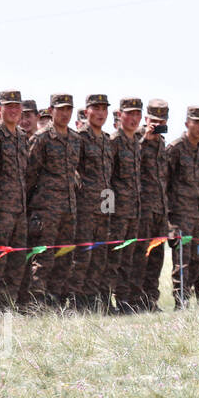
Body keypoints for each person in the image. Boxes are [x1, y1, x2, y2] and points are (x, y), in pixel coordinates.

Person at [26, 94, 82, 309]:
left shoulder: (76, 140)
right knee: (43, 257)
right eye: (61, 109)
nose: (65, 114)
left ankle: (55, 300)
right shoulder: (41, 139)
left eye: (69, 109)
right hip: (46, 210)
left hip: (69, 209)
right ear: (51, 110)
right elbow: (29, 176)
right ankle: (36, 301)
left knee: (65, 256)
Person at [72, 94, 114, 311]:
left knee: (100, 258)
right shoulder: (78, 137)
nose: (100, 113)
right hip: (85, 209)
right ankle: (77, 301)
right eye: (95, 109)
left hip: (104, 208)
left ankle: (93, 300)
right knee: (82, 257)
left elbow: (110, 177)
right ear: (86, 111)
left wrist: (110, 209)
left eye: (103, 109)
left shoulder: (107, 140)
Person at [0, 90, 29, 309]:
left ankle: (7, 304)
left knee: (17, 261)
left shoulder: (22, 137)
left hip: (20, 211)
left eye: (17, 106)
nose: (14, 110)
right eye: (9, 106)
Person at [165, 106, 199, 306]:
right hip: (179, 216)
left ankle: (188, 297)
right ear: (186, 124)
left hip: (197, 216)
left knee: (196, 261)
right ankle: (180, 302)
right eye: (196, 122)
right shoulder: (175, 149)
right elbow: (163, 183)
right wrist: (169, 221)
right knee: (181, 261)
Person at [133, 99, 169, 311]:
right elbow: (131, 165)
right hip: (141, 210)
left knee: (156, 258)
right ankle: (135, 300)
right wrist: (146, 139)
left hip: (159, 210)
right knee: (140, 257)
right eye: (153, 120)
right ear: (146, 119)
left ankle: (150, 300)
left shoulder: (163, 144)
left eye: (161, 121)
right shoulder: (137, 139)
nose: (157, 125)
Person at [107, 98, 143, 312]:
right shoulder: (114, 141)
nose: (133, 118)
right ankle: (107, 300)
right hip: (117, 212)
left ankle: (124, 300)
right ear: (120, 115)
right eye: (129, 114)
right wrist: (108, 211)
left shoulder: (136, 142)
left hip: (133, 211)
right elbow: (107, 179)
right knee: (113, 258)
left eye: (137, 114)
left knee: (128, 258)